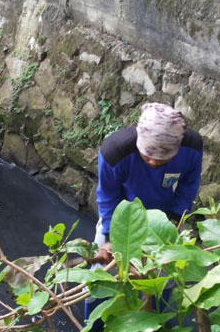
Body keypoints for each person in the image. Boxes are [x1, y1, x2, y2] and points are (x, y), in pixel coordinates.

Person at [86, 103, 203, 329]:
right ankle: (94, 325)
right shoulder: (115, 151)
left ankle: (154, 322)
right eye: (147, 155)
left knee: (164, 279)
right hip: (123, 218)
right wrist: (111, 237)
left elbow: (188, 185)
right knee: (101, 278)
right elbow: (108, 196)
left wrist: (175, 220)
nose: (152, 162)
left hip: (164, 219)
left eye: (162, 159)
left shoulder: (192, 147)